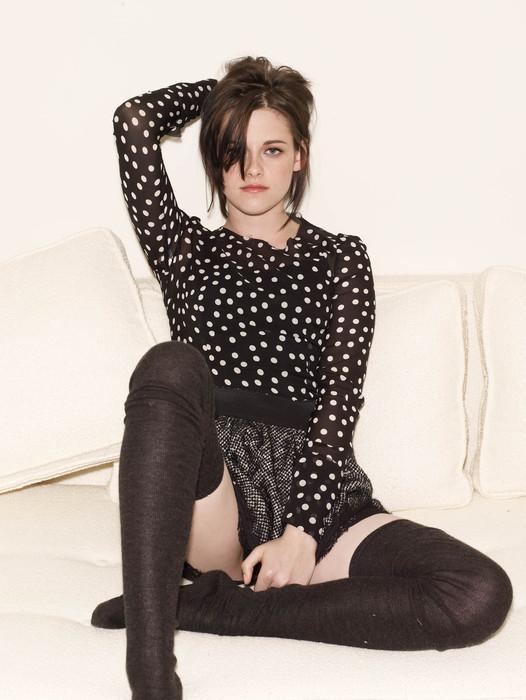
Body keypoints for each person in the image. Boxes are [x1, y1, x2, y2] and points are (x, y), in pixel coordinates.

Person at [91, 56, 513, 700]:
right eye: (233, 150)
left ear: (300, 157)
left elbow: (339, 400)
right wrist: (230, 94)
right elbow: (134, 120)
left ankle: (217, 609)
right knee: (170, 363)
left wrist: (304, 533)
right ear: (215, 161)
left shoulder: (341, 257)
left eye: (271, 148)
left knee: (477, 593)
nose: (251, 169)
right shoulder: (186, 252)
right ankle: (150, 671)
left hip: (317, 483)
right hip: (216, 490)